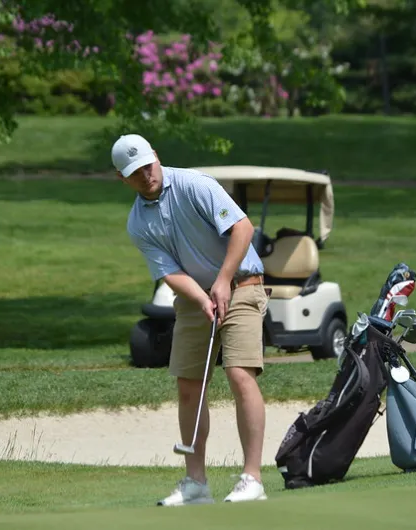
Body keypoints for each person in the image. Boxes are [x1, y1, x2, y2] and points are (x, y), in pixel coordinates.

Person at [112, 133, 270, 506]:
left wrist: (223, 280)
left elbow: (243, 229)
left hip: (243, 283)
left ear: (156, 156)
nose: (146, 175)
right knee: (188, 385)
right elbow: (168, 272)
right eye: (135, 173)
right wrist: (202, 296)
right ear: (123, 179)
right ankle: (196, 483)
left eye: (148, 166)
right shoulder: (138, 224)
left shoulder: (194, 184)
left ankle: (252, 478)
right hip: (195, 298)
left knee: (239, 373)